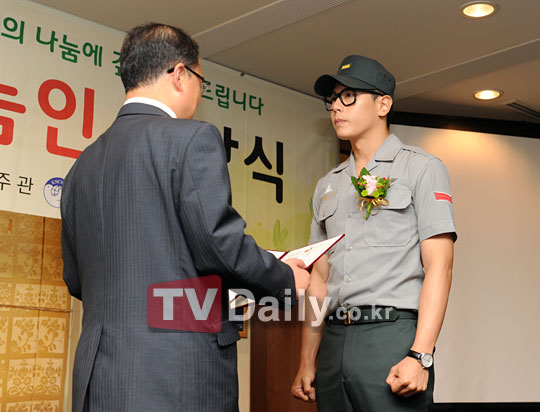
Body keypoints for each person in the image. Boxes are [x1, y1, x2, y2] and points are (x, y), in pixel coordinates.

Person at [61, 23, 310, 412]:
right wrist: (286, 279)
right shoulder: (191, 138)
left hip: (100, 378)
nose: (199, 92)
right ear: (180, 74)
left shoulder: (82, 166)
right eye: (200, 80)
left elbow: (76, 279)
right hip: (176, 373)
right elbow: (219, 245)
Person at [291, 55, 456, 412]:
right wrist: (307, 360)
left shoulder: (421, 168)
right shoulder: (327, 186)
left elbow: (440, 268)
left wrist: (421, 354)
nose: (337, 106)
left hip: (391, 338)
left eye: (349, 96)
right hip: (334, 340)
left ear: (383, 105)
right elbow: (319, 280)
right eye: (333, 99)